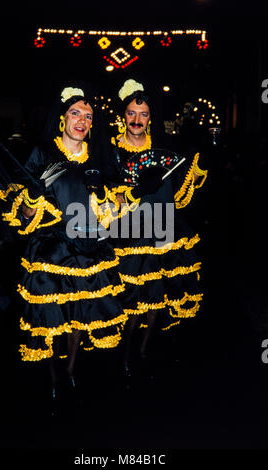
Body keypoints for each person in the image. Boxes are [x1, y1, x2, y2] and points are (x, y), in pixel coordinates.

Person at [0, 84, 128, 398]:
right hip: (52, 248)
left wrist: (109, 197)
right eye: (75, 113)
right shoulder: (43, 153)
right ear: (62, 118)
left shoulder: (97, 156)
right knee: (54, 316)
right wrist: (34, 192)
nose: (82, 120)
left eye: (88, 116)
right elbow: (24, 211)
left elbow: (114, 205)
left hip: (88, 246)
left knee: (80, 315)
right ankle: (53, 373)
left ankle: (70, 370)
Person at [103, 78, 208, 376]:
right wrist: (128, 191)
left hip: (165, 229)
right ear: (123, 115)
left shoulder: (164, 147)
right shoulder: (111, 150)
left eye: (144, 114)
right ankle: (124, 351)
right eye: (132, 114)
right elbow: (108, 197)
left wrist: (198, 171)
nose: (137, 120)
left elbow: (180, 196)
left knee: (157, 299)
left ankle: (143, 349)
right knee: (131, 300)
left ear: (151, 117)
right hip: (130, 233)